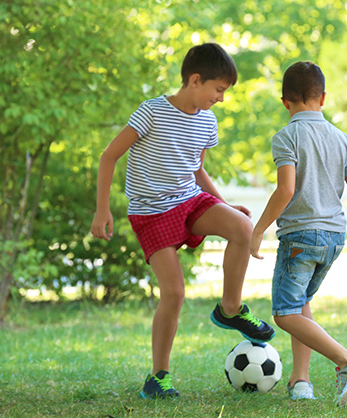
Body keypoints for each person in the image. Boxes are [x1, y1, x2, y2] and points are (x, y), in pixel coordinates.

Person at [90, 43, 275, 399]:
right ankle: (159, 377)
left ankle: (230, 309)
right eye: (218, 89)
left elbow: (197, 169)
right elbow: (108, 156)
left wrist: (226, 206)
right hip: (152, 211)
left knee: (242, 228)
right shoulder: (152, 112)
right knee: (174, 294)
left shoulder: (207, 120)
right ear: (194, 80)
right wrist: (102, 210)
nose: (221, 98)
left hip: (189, 200)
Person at [248, 61, 347, 406]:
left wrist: (258, 230)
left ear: (285, 102)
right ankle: (301, 381)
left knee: (284, 313)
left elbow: (285, 190)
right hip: (334, 238)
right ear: (324, 98)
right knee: (300, 303)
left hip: (300, 239)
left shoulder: (286, 136)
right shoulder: (340, 138)